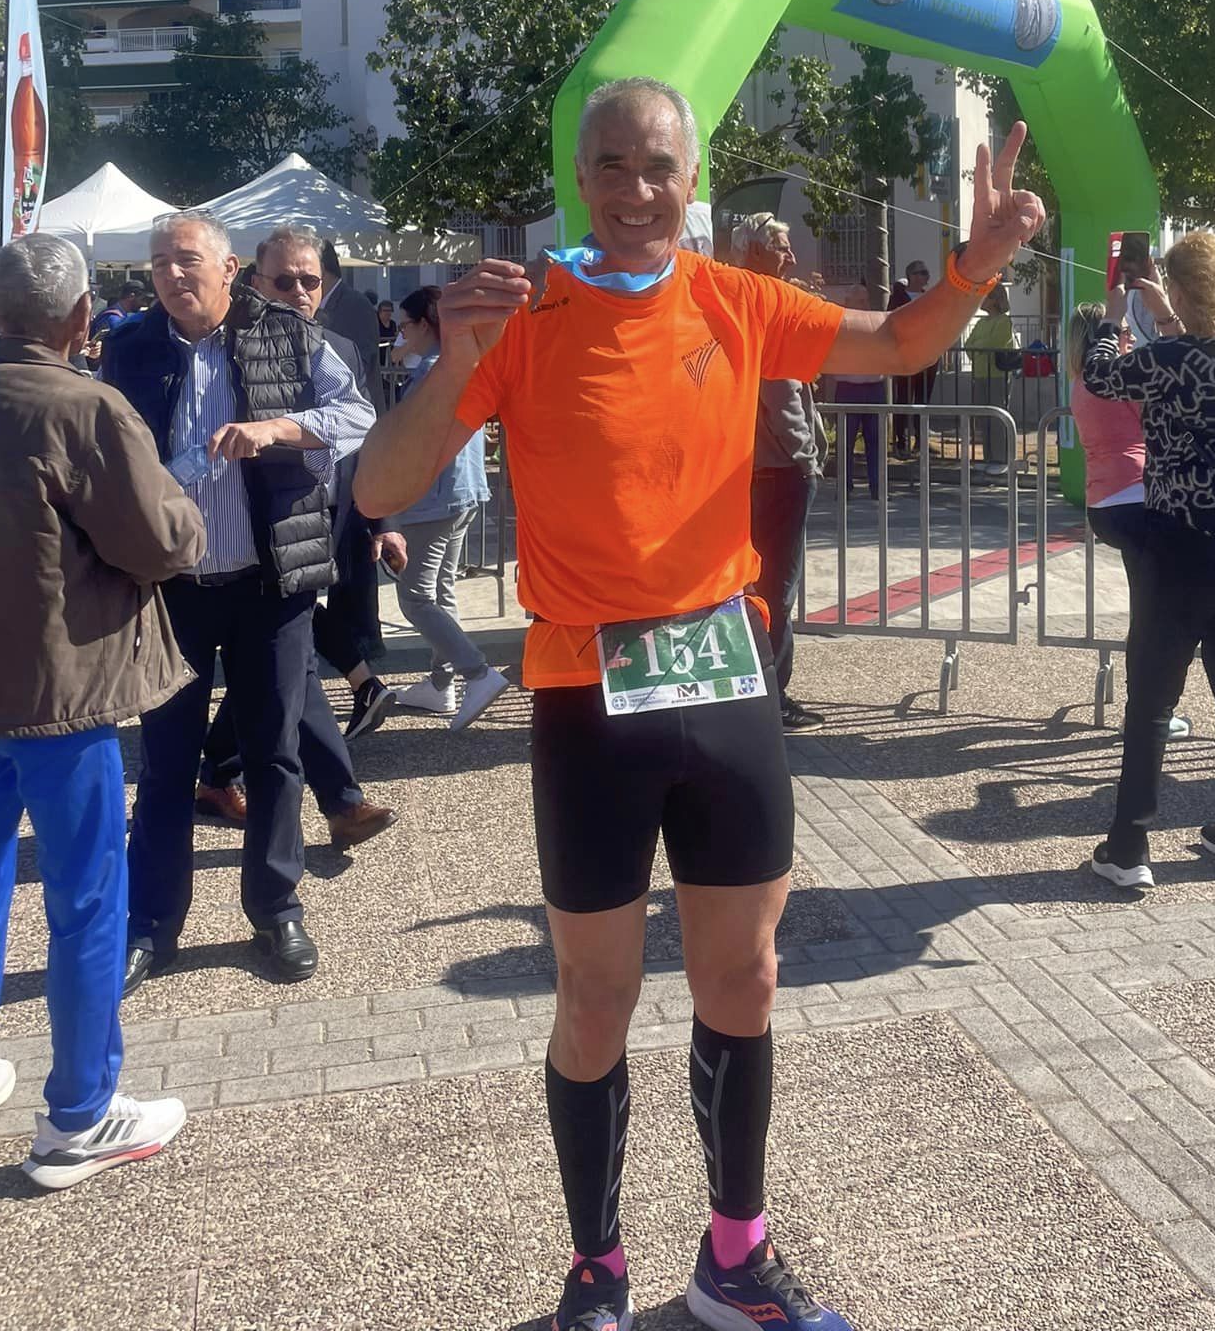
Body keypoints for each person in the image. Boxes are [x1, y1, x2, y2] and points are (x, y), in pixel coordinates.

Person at [354, 77, 1043, 1331]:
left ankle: (735, 1257)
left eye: (658, 166)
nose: (635, 190)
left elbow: (899, 343)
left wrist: (978, 264)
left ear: (692, 177)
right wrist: (454, 361)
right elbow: (377, 487)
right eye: (611, 165)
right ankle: (596, 1267)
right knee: (593, 997)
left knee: (747, 974)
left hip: (723, 681)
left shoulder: (735, 298)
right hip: (586, 693)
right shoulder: (517, 314)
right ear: (579, 175)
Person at [0, 235, 204, 1186]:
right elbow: (160, 542)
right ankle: (78, 1115)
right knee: (87, 899)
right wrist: (188, 511)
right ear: (82, 318)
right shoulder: (86, 406)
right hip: (59, 692)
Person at [101, 210, 375, 994]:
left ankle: (275, 909)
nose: (171, 274)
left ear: (229, 270)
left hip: (269, 584)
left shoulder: (290, 335)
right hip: (174, 590)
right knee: (164, 764)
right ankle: (152, 923)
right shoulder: (130, 348)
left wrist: (279, 428)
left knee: (274, 754)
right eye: (159, 262)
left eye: (186, 259)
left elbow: (357, 414)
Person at [1080, 231, 1215, 892]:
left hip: (1185, 538)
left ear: (1179, 288)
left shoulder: (1171, 357)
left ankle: (1128, 847)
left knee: (1152, 694)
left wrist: (1114, 315)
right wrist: (1167, 313)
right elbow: (1210, 358)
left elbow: (1098, 375)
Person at [195, 225, 398, 830]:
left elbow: (367, 435)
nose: (300, 291)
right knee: (293, 662)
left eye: (311, 280)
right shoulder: (230, 345)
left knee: (285, 665)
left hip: (326, 524)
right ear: (255, 282)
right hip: (259, 534)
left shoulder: (339, 347)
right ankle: (340, 800)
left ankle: (217, 775)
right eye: (284, 281)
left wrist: (382, 520)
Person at [385, 287, 511, 731]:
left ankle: (476, 672)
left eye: (406, 326)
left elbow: (415, 437)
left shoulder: (434, 372)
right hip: (463, 489)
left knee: (416, 597)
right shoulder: (460, 363)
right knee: (439, 591)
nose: (402, 334)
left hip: (435, 495)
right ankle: (442, 683)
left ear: (424, 324)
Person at [1067, 303, 1189, 744]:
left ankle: (1146, 711)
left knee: (1149, 612)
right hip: (1139, 496)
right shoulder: (1118, 380)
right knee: (1157, 618)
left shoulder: (1080, 383)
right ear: (1099, 337)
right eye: (1121, 330)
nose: (1131, 336)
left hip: (1105, 502)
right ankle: (1148, 714)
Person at [731, 214, 824, 731]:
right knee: (775, 591)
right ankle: (771, 697)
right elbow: (782, 396)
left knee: (757, 587)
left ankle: (755, 690)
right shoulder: (765, 309)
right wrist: (806, 458)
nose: (791, 256)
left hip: (752, 468)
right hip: (778, 470)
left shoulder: (738, 303)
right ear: (755, 252)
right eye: (782, 247)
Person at [316, 238, 385, 413]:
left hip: (356, 414)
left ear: (320, 270)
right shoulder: (322, 304)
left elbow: (360, 365)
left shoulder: (356, 305)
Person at [832, 281, 883, 502]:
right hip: (847, 389)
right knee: (845, 442)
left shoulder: (876, 322)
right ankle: (844, 487)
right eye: (861, 301)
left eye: (866, 300)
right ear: (848, 302)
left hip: (874, 388)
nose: (865, 304)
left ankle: (878, 487)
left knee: (876, 441)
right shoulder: (839, 324)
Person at [964, 283, 1017, 470]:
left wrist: (978, 346)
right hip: (979, 374)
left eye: (984, 295)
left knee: (997, 417)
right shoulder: (980, 322)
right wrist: (979, 347)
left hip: (997, 374)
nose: (980, 300)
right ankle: (988, 457)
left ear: (994, 299)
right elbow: (968, 345)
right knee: (983, 417)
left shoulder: (1004, 321)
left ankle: (1001, 458)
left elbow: (993, 344)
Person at [888, 258, 932, 456]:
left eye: (926, 272)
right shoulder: (898, 297)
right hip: (905, 355)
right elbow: (891, 320)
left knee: (923, 400)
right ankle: (901, 442)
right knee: (904, 398)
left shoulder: (929, 296)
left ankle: (921, 441)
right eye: (921, 272)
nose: (925, 276)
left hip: (928, 355)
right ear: (911, 276)